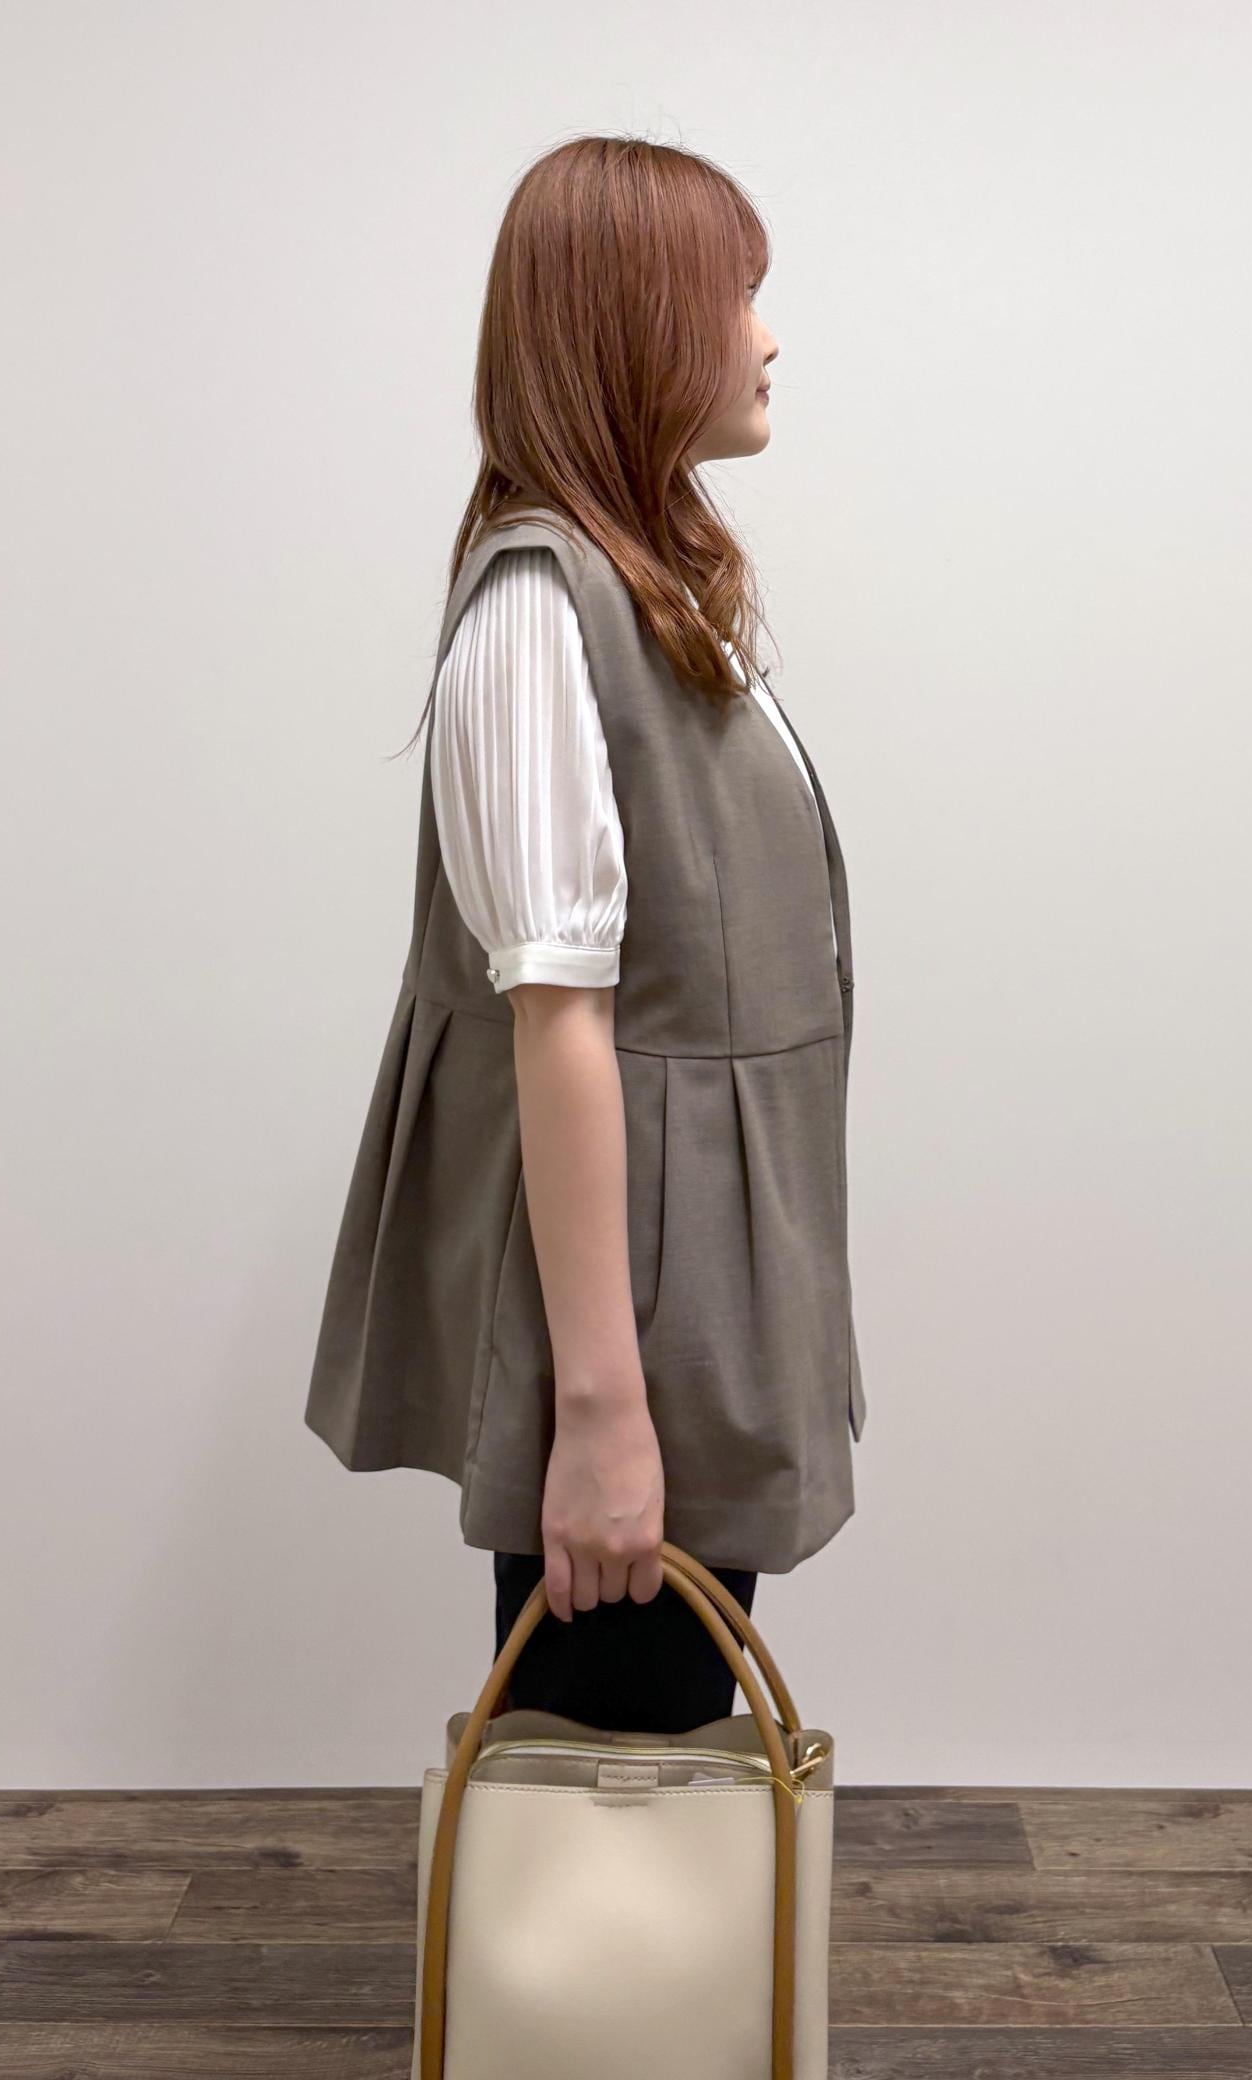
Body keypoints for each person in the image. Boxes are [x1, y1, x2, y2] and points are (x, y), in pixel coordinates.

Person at [304, 133, 865, 1736]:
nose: (769, 337)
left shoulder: (646, 592)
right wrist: (605, 1414)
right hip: (635, 1307)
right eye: (736, 298)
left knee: (653, 1749)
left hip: (697, 1275)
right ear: (636, 329)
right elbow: (557, 1019)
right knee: (621, 1755)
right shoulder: (538, 609)